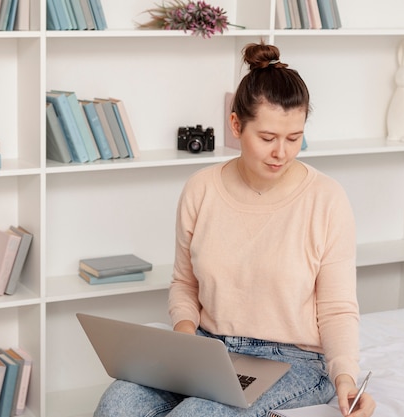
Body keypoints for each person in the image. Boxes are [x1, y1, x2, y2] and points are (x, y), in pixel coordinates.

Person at [93, 42, 376, 417]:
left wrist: (345, 379)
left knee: (196, 414)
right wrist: (184, 335)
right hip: (211, 349)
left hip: (294, 360)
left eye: (294, 138)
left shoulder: (326, 199)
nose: (282, 153)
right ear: (236, 125)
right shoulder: (201, 188)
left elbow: (338, 308)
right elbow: (184, 283)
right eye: (267, 138)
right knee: (118, 404)